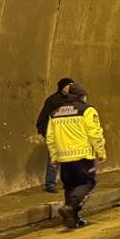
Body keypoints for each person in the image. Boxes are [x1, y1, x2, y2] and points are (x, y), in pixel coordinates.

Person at [45, 83, 105, 229]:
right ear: (82, 96)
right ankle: (70, 207)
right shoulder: (87, 110)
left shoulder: (55, 113)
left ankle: (72, 220)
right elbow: (94, 133)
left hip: (64, 157)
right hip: (82, 155)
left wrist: (54, 157)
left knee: (70, 187)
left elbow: (50, 138)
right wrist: (101, 152)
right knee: (87, 183)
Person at [36, 78, 74, 193]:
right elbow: (43, 117)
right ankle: (50, 184)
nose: (70, 88)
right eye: (68, 85)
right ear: (62, 87)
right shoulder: (52, 100)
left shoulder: (73, 100)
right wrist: (45, 132)